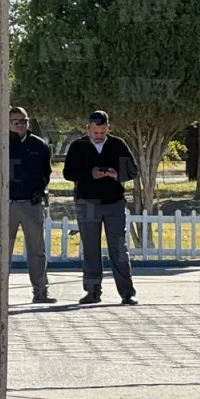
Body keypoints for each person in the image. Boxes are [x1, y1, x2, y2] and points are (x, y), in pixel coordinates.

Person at [0, 105, 55, 304]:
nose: (21, 125)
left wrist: (38, 190)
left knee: (37, 250)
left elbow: (46, 173)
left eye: (24, 121)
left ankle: (41, 291)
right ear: (7, 123)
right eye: (16, 121)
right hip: (7, 205)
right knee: (2, 250)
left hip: (32, 205)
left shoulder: (40, 146)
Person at [62, 110, 138, 305]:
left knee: (119, 248)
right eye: (96, 133)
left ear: (108, 129)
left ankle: (127, 293)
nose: (99, 136)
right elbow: (68, 172)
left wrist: (115, 173)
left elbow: (132, 171)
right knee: (90, 248)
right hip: (87, 202)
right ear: (88, 128)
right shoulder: (79, 146)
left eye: (103, 132)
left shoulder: (117, 145)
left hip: (114, 203)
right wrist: (90, 174)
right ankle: (92, 291)